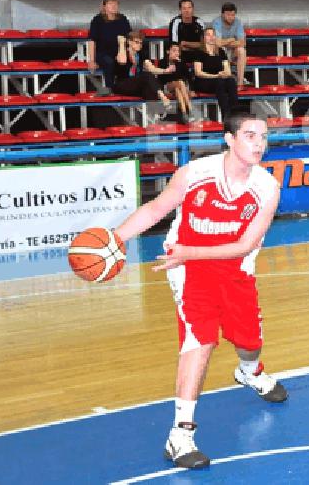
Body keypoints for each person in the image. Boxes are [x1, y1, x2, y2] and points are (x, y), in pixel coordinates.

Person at [112, 112, 287, 468]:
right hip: (188, 270)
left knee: (249, 342)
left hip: (234, 267)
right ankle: (180, 436)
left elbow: (244, 245)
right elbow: (156, 208)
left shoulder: (267, 188)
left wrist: (189, 252)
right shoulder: (194, 174)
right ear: (229, 139)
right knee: (200, 340)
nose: (259, 144)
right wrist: (116, 240)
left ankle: (248, 371)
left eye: (264, 137)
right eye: (250, 135)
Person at [87, 0, 133, 97]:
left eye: (116, 4)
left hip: (120, 52)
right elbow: (92, 41)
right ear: (104, 6)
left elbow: (129, 37)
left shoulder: (123, 19)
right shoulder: (97, 20)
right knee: (109, 62)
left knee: (126, 63)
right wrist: (91, 60)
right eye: (111, 4)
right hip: (102, 52)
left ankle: (124, 88)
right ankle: (110, 89)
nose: (114, 6)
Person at [114, 31, 173, 109]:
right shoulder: (122, 52)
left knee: (150, 87)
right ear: (129, 42)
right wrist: (121, 44)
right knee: (146, 75)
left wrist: (165, 71)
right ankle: (163, 98)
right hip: (122, 84)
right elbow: (122, 61)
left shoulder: (141, 54)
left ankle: (154, 115)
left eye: (141, 43)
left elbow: (152, 69)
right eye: (137, 42)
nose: (140, 45)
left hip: (137, 85)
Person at [193, 27, 240, 122]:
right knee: (220, 82)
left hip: (219, 80)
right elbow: (198, 72)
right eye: (208, 35)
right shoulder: (198, 52)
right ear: (204, 38)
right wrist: (216, 76)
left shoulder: (221, 52)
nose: (211, 37)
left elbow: (228, 71)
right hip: (204, 81)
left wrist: (224, 74)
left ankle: (235, 114)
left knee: (231, 81)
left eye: (213, 34)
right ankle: (226, 117)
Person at [156, 43, 197, 123]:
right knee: (180, 83)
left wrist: (192, 90)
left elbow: (189, 77)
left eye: (178, 51)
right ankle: (191, 111)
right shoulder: (162, 62)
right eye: (174, 51)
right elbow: (162, 78)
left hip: (179, 88)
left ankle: (184, 114)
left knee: (178, 89)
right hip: (166, 87)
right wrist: (171, 67)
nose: (176, 53)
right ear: (168, 51)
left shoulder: (181, 63)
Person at [213, 2, 249, 87]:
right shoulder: (217, 22)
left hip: (233, 53)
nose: (231, 17)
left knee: (241, 50)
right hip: (220, 53)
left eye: (233, 15)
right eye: (228, 15)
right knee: (220, 48)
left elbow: (242, 42)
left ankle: (240, 83)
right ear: (223, 15)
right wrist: (231, 39)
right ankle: (227, 82)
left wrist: (226, 42)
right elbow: (217, 43)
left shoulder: (238, 22)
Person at [169, 0, 206, 64]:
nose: (187, 10)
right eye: (184, 8)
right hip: (181, 54)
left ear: (193, 9)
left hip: (198, 53)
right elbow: (175, 45)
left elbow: (204, 44)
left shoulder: (199, 22)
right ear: (180, 10)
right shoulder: (176, 22)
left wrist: (185, 43)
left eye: (189, 8)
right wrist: (194, 45)